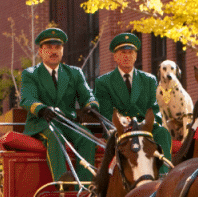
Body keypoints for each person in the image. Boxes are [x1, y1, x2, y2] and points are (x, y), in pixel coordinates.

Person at [20, 27, 100, 182]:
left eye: (57, 47)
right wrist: (41, 109)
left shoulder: (74, 73)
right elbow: (27, 98)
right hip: (41, 122)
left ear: (62, 51)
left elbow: (87, 95)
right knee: (54, 134)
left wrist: (91, 105)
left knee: (87, 137)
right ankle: (62, 180)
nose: (53, 51)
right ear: (41, 52)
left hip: (67, 122)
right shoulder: (30, 74)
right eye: (49, 47)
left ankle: (85, 185)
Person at [94, 32, 172, 172]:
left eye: (131, 52)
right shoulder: (103, 82)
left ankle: (164, 177)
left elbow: (154, 109)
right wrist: (121, 121)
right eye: (123, 52)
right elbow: (105, 112)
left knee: (162, 133)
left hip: (144, 127)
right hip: (119, 129)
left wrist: (148, 123)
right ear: (115, 56)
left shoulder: (149, 80)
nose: (127, 56)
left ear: (136, 56)